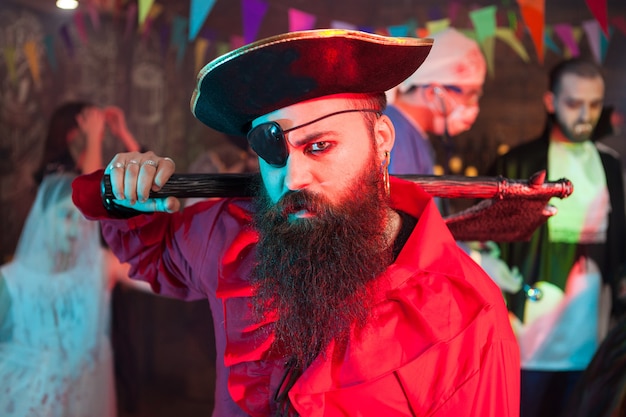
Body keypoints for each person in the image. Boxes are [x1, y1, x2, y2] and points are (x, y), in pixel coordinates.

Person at [71, 29, 520, 416]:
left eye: (320, 146)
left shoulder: (465, 314)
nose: (293, 177)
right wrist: (126, 195)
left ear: (380, 140)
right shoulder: (231, 235)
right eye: (274, 155)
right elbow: (154, 256)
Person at [489, 57, 626, 417]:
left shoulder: (610, 164)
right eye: (573, 103)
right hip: (529, 326)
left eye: (594, 104)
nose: (585, 114)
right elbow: (488, 241)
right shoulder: (516, 165)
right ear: (551, 102)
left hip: (592, 326)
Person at [0, 173, 116, 417]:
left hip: (79, 402)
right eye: (65, 216)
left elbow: (155, 276)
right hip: (25, 403)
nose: (75, 229)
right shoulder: (12, 279)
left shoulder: (99, 267)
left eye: (82, 220)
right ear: (43, 218)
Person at [384, 27, 486, 176]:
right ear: (432, 93)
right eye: (470, 96)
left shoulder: (411, 135)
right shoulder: (393, 137)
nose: (474, 107)